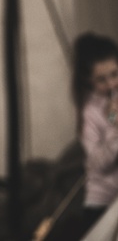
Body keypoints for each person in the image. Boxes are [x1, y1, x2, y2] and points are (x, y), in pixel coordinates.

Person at [71, 32, 118, 235]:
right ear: (88, 80)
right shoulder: (90, 112)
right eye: (101, 79)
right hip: (103, 202)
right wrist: (114, 127)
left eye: (115, 74)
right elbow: (98, 164)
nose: (110, 84)